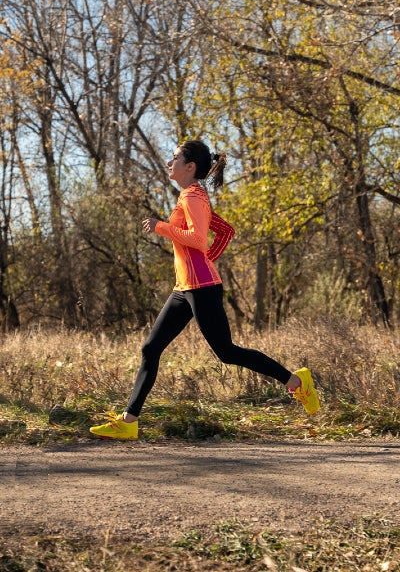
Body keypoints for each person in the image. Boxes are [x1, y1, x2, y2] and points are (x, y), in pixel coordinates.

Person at [90, 140, 319, 440]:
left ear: (190, 167)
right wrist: (204, 261)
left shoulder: (194, 197)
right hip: (184, 288)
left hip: (203, 289)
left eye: (174, 158)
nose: (168, 163)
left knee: (226, 351)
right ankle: (129, 421)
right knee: (150, 348)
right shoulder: (191, 196)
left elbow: (198, 239)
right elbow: (224, 231)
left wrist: (163, 228)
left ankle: (296, 382)